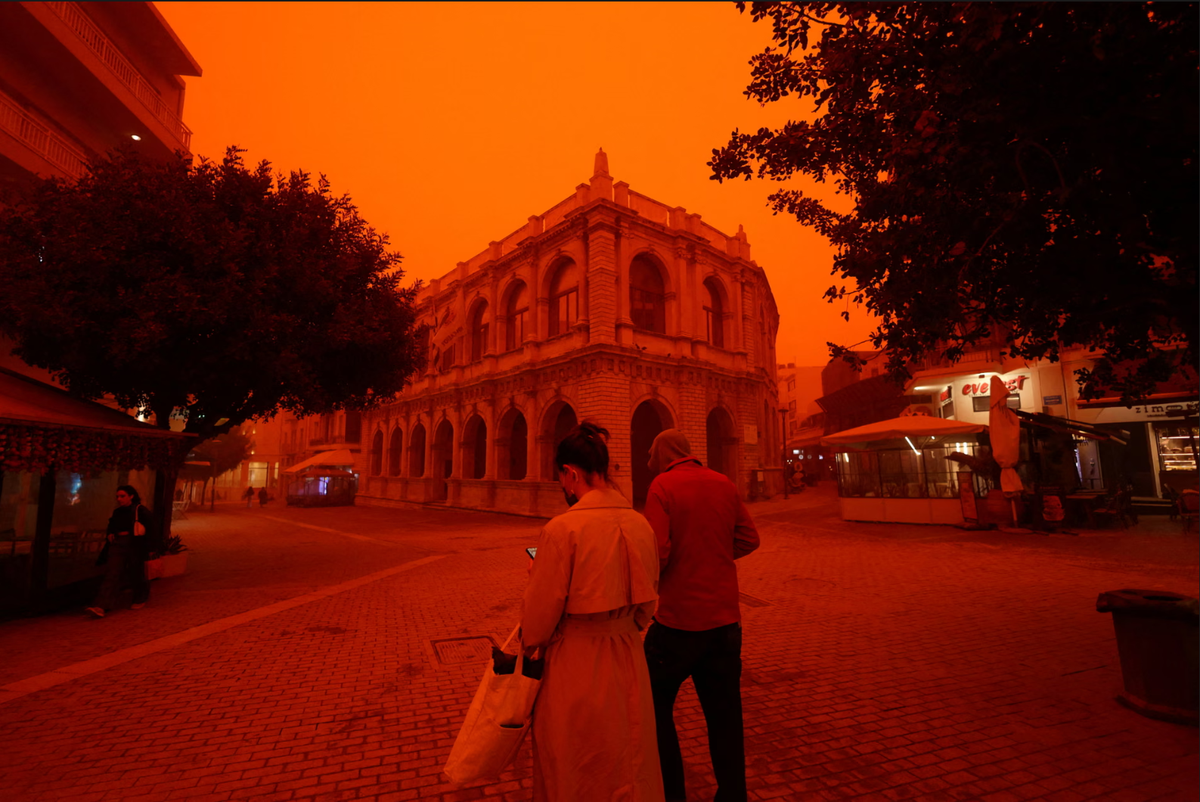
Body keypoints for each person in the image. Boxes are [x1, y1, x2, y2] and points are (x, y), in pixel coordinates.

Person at [521, 421, 664, 801]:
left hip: (577, 662)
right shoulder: (640, 524)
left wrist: (537, 576)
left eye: (561, 478)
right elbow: (647, 606)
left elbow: (536, 626)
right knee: (630, 757)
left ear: (570, 473)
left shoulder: (562, 530)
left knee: (578, 764)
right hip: (628, 654)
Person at [643, 429, 760, 802]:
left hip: (678, 624)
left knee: (652, 706)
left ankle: (671, 793)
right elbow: (750, 538)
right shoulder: (723, 483)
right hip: (725, 623)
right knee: (725, 717)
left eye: (651, 454)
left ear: (664, 454)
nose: (648, 461)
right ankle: (732, 795)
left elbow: (658, 553)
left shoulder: (662, 487)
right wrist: (714, 554)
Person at [86, 485, 154, 618]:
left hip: (135, 544)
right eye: (117, 496)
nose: (119, 499)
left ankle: (140, 597)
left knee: (136, 571)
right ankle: (101, 605)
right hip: (118, 543)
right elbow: (112, 525)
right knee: (112, 572)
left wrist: (151, 548)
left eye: (122, 496)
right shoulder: (117, 512)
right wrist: (111, 533)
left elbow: (151, 529)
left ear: (131, 496)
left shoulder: (140, 510)